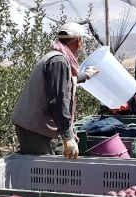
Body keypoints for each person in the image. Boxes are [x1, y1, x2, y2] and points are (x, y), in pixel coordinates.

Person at [11, 22, 100, 158]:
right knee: (42, 171)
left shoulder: (56, 57)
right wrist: (68, 135)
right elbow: (58, 100)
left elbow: (66, 83)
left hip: (37, 127)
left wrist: (86, 75)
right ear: (79, 41)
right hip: (35, 129)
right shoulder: (58, 61)